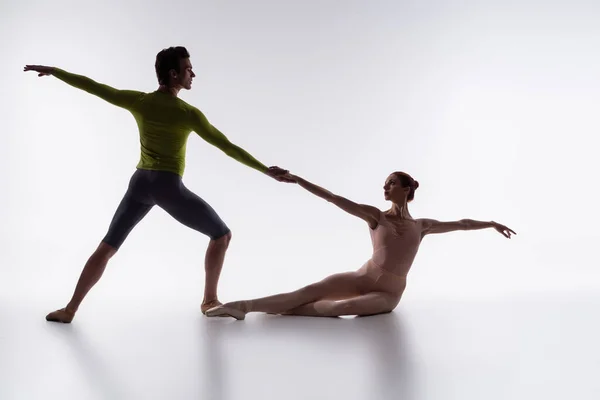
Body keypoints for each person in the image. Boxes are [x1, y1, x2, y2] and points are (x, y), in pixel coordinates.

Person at [23, 46, 292, 324]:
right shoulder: (188, 113)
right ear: (174, 74)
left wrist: (56, 72)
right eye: (188, 69)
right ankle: (209, 301)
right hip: (166, 186)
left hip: (139, 184)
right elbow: (227, 147)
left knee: (108, 245)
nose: (193, 74)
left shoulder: (140, 101)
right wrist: (265, 170)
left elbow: (95, 87)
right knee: (221, 235)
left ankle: (69, 310)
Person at [206, 171, 516, 320]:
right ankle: (241, 307)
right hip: (363, 276)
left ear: (406, 189)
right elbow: (334, 199)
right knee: (308, 290)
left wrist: (491, 223)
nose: (385, 187)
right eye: (384, 184)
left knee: (345, 309)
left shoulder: (422, 226)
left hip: (388, 293)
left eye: (391, 182)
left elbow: (461, 223)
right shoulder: (375, 216)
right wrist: (299, 180)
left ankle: (288, 312)